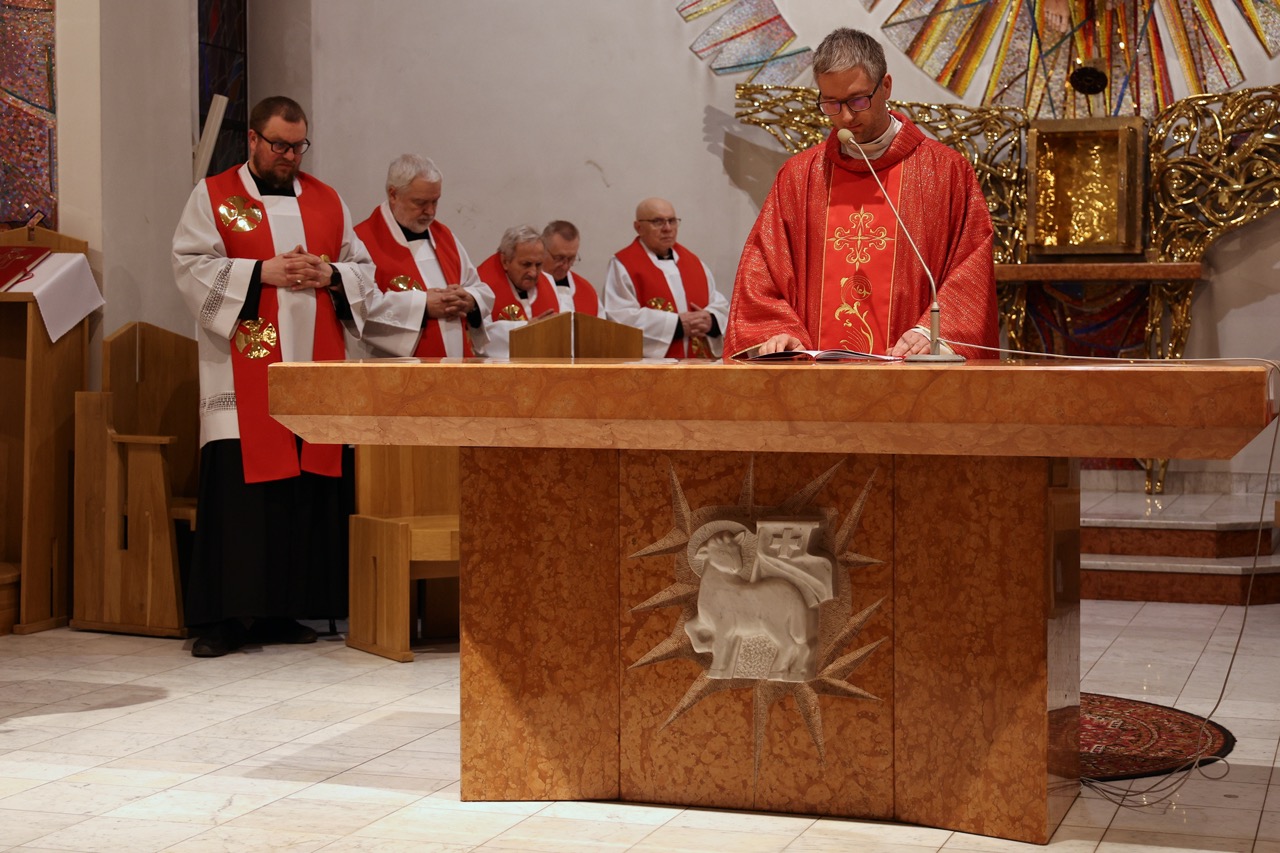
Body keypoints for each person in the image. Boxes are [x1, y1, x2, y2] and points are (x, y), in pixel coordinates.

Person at [172, 96, 382, 657]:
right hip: (242, 370)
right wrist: (261, 272)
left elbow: (364, 272)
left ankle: (282, 611)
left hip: (313, 370)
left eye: (297, 146)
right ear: (253, 140)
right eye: (279, 145)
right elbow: (190, 264)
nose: (289, 155)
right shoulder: (215, 195)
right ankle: (225, 619)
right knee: (240, 497)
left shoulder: (327, 200)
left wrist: (330, 273)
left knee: (301, 495)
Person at [724, 28, 998, 359]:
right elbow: (762, 273)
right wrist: (780, 333)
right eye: (831, 103)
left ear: (886, 86)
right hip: (816, 381)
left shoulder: (946, 172)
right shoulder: (798, 177)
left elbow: (971, 267)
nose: (845, 117)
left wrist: (931, 331)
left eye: (857, 100)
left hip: (911, 375)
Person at [354, 154, 493, 358]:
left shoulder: (444, 237)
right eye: (420, 203)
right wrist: (423, 306)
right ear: (393, 194)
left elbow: (478, 287)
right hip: (396, 370)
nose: (430, 212)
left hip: (457, 366)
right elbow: (360, 307)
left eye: (435, 201)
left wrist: (470, 300)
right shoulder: (363, 240)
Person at [603, 198, 730, 359]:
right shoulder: (623, 264)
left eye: (672, 221)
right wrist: (676, 325)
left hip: (698, 366)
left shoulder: (694, 263)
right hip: (652, 369)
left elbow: (720, 305)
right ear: (638, 227)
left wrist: (711, 320)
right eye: (658, 222)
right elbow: (619, 318)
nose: (667, 228)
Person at [475, 225, 559, 358]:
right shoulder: (481, 285)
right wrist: (526, 328)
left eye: (538, 265)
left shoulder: (548, 281)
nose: (533, 273)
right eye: (526, 264)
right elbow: (480, 339)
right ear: (505, 261)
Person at [541, 220, 602, 316]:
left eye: (571, 259)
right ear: (542, 250)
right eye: (559, 258)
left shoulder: (588, 292)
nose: (565, 266)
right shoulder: (527, 287)